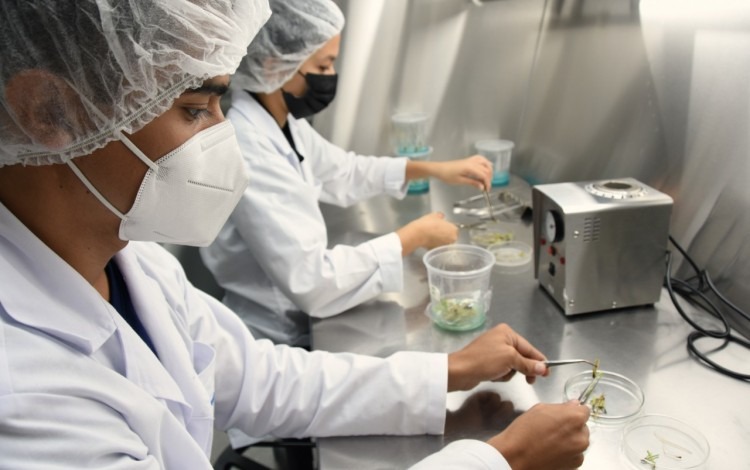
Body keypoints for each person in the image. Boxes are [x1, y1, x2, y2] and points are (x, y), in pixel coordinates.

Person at [0, 1, 590, 469]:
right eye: (195, 107)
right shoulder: (22, 396)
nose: (226, 139)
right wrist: (501, 460)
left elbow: (259, 378)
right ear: (50, 111)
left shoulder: (136, 265)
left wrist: (446, 371)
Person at [200, 0, 495, 346]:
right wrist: (412, 237)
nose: (330, 77)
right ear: (273, 65)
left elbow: (346, 171)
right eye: (323, 65)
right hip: (272, 336)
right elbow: (312, 282)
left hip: (296, 323)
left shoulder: (282, 124)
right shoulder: (248, 148)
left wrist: (435, 169)